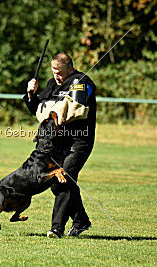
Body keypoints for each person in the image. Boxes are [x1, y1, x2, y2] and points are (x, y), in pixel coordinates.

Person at [23, 53, 97, 238]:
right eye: (54, 72)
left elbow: (74, 111)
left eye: (60, 72)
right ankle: (81, 221)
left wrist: (49, 111)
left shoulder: (80, 82)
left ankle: (57, 229)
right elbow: (37, 110)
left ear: (70, 69)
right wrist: (30, 94)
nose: (56, 76)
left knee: (63, 178)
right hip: (58, 144)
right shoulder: (51, 84)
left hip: (79, 142)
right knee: (57, 184)